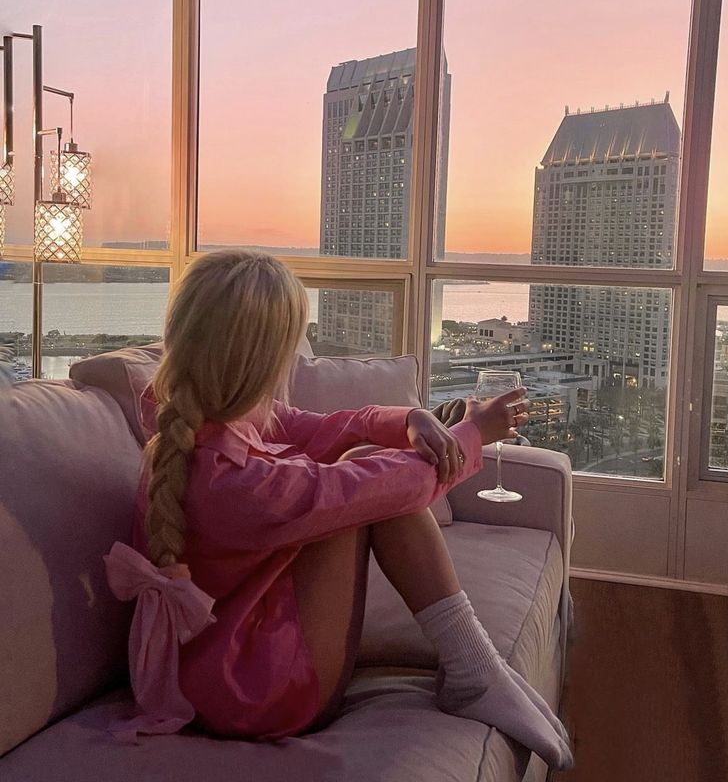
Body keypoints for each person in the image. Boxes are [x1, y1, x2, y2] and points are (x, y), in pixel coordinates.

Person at [104, 249, 572, 771]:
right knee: (375, 478)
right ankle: (475, 666)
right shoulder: (227, 481)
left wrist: (411, 416)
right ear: (265, 359)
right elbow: (367, 486)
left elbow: (329, 426)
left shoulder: (213, 428)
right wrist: (473, 434)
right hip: (250, 693)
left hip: (218, 668)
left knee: (369, 463)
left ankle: (476, 667)